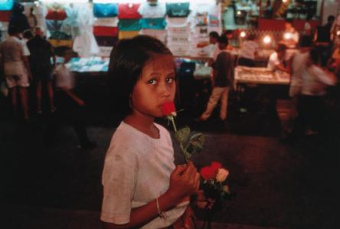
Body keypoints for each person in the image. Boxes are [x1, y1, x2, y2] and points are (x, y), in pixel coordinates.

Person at [101, 35, 200, 228]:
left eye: (170, 79)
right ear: (127, 88)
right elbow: (113, 225)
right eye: (153, 81)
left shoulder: (161, 132)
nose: (166, 91)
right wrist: (173, 196)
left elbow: (160, 187)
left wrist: (189, 195)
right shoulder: (124, 150)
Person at [45, 48, 96, 149]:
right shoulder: (60, 70)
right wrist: (76, 98)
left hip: (67, 96)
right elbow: (62, 87)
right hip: (65, 96)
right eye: (67, 54)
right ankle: (84, 142)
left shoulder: (65, 68)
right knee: (76, 120)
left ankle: (49, 139)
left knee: (62, 119)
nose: (70, 56)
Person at [299, 48, 337, 135]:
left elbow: (330, 81)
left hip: (312, 97)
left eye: (308, 58)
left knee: (308, 117)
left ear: (312, 60)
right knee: (306, 117)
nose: (306, 59)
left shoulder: (316, 70)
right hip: (307, 95)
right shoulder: (308, 68)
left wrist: (321, 87)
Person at [197, 36, 234, 121]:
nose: (218, 45)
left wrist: (214, 80)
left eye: (219, 43)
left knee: (213, 100)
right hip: (227, 82)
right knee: (224, 100)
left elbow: (216, 69)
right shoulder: (231, 55)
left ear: (223, 44)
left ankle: (204, 116)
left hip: (220, 81)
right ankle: (223, 117)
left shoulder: (221, 55)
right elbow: (232, 69)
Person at [0, 25, 32, 121]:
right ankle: (25, 114)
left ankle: (15, 113)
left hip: (7, 68)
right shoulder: (20, 43)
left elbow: (1, 59)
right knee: (22, 91)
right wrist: (29, 72)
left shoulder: (2, 43)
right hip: (19, 67)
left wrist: (2, 70)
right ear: (17, 33)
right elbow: (25, 59)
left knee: (13, 91)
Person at [26, 27, 56, 114]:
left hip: (36, 67)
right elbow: (54, 56)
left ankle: (39, 108)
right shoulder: (46, 43)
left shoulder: (30, 43)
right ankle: (52, 106)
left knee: (38, 88)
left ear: (35, 33)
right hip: (47, 67)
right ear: (42, 33)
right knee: (49, 87)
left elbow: (27, 57)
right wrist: (53, 66)